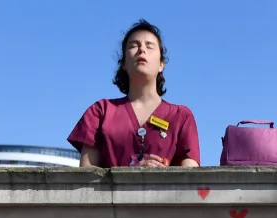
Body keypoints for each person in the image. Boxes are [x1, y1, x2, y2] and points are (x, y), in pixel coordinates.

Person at [67, 19, 200, 168]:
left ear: (161, 64)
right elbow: (87, 174)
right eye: (133, 45)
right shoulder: (100, 111)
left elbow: (190, 176)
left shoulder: (181, 116)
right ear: (123, 63)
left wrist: (164, 176)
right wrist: (131, 174)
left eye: (150, 46)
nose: (142, 49)